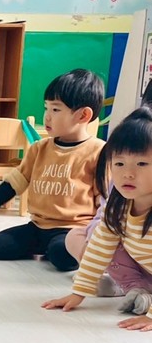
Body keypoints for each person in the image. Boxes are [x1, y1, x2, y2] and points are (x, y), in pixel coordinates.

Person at [0, 69, 105, 271]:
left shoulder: (98, 152)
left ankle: (67, 249)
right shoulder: (39, 148)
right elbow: (13, 184)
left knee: (61, 254)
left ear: (83, 115)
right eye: (46, 108)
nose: (47, 116)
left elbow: (105, 201)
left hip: (73, 230)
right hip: (37, 227)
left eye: (55, 110)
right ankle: (47, 248)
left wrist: (100, 237)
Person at [43, 107, 152, 330]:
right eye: (119, 163)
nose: (128, 173)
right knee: (96, 239)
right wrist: (78, 293)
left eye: (141, 164)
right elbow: (100, 247)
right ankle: (136, 288)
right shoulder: (118, 206)